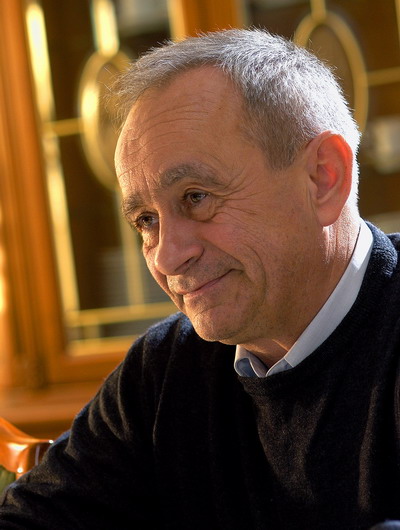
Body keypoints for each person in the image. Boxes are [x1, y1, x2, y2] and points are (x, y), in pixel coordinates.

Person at [1, 28, 400, 530]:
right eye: (146, 221)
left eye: (196, 197)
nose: (168, 258)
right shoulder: (163, 371)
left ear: (323, 177)